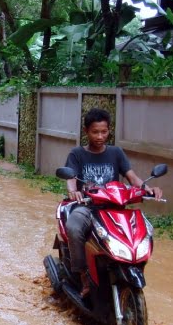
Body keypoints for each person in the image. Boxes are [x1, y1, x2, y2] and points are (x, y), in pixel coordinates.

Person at [64, 108, 163, 296]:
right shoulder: (77, 154)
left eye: (104, 131)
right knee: (74, 227)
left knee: (144, 229)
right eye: (95, 132)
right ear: (86, 131)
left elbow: (132, 177)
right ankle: (83, 274)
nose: (100, 136)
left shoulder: (116, 153)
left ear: (109, 131)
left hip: (115, 209)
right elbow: (71, 177)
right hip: (88, 208)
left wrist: (147, 189)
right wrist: (73, 191)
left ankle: (133, 266)